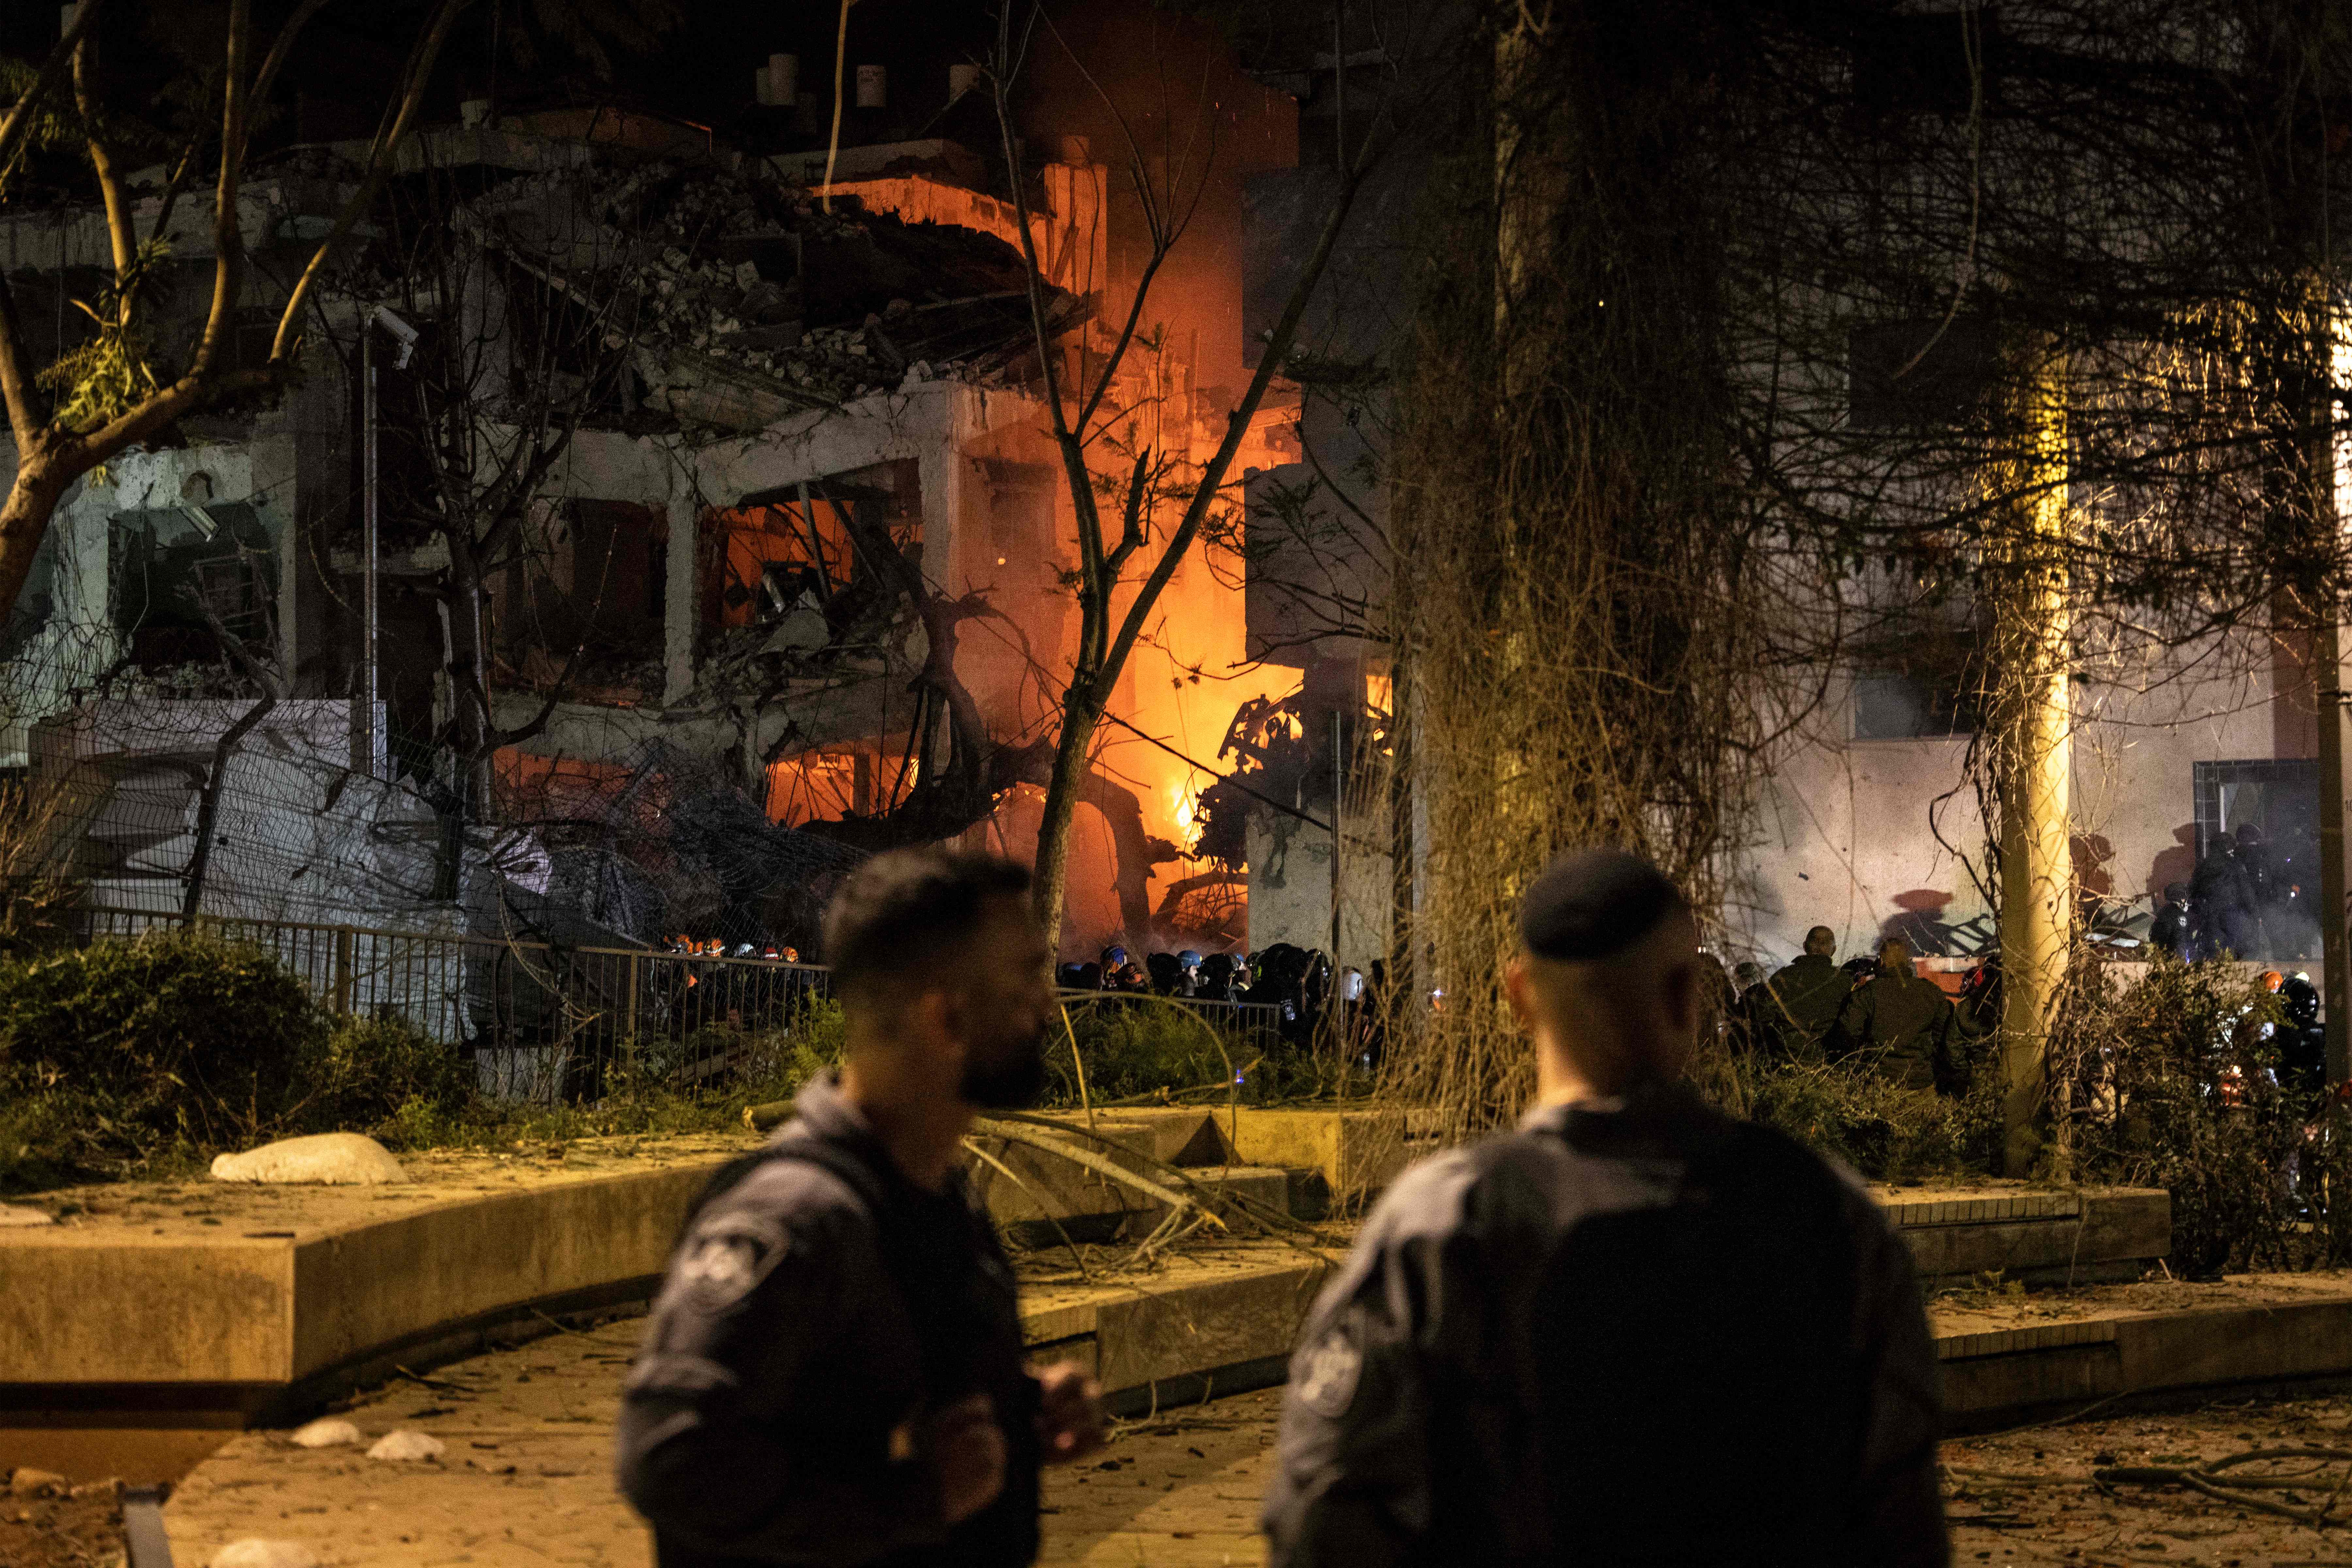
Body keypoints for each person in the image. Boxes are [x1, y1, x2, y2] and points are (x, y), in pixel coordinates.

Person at [1261, 848, 1947, 1567]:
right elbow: (1902, 1520)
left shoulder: (1442, 1224)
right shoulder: (1829, 1217)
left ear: (1520, 996)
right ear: (1689, 995)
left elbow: (1323, 1518)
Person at [616, 848, 1107, 1567]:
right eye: (1026, 979)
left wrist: (1019, 1408)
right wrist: (915, 1500)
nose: (1049, 1006)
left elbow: (859, 1400)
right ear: (945, 1019)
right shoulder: (796, 1220)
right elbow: (670, 1458)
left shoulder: (933, 1193)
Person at [1834, 938, 1964, 1093]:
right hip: (1920, 1083)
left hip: (1878, 1084)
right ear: (1908, 961)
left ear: (1881, 961)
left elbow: (1848, 1033)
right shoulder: (1931, 992)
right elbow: (1947, 1038)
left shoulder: (1868, 993)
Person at [1757, 926, 1852, 1061]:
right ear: (1834, 950)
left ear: (1805, 946)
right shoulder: (1844, 981)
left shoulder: (1782, 977)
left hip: (1785, 1059)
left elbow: (1763, 1018)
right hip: (1825, 1062)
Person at [2149, 882, 2197, 962]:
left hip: (2164, 955)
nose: (2186, 901)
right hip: (2175, 958)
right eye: (2184, 898)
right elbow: (2180, 939)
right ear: (2179, 898)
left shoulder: (2164, 911)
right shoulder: (2181, 916)